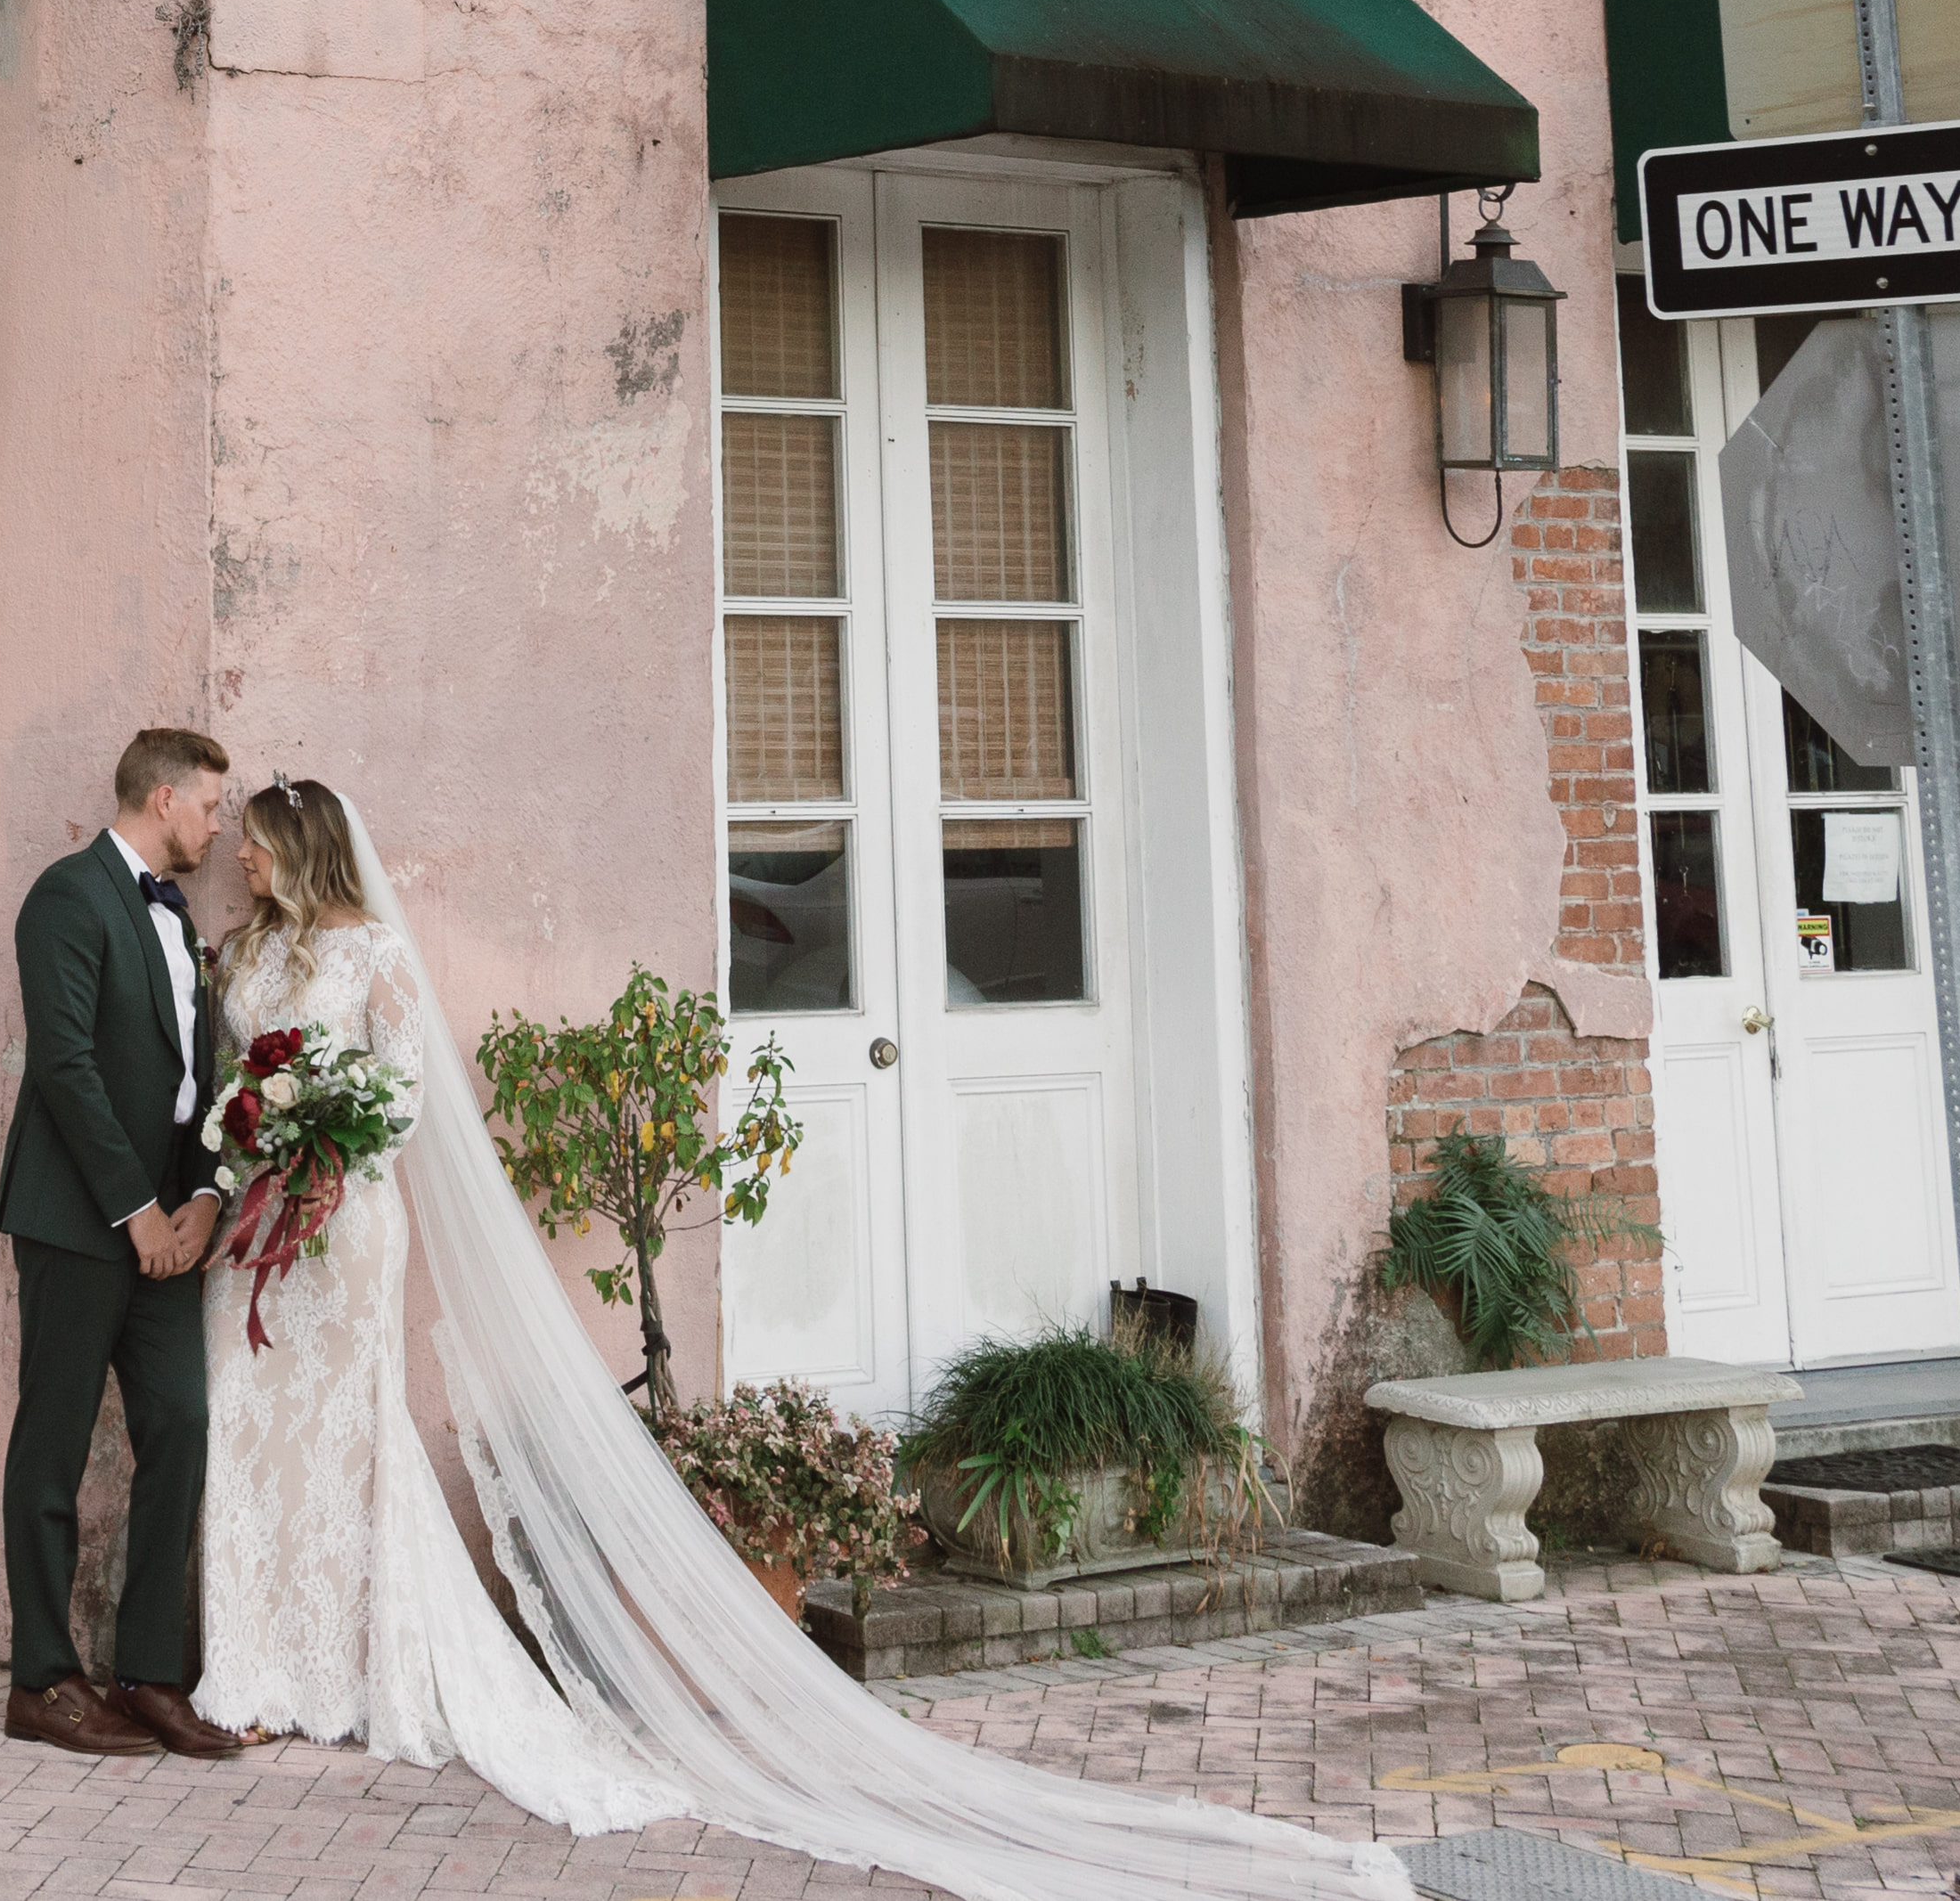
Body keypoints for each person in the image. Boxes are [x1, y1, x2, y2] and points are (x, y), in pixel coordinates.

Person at [182, 774, 1408, 1901]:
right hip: (258, 1232)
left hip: (344, 1230)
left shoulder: (377, 956)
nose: (240, 849)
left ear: (305, 847)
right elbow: (233, 1081)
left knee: (346, 1436)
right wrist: (255, 1148)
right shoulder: (241, 954)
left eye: (258, 836)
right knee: (250, 1430)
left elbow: (405, 1097)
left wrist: (329, 1154)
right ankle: (257, 1670)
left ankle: (346, 1669)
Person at [0, 725, 249, 1759]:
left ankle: (147, 1673)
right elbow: (65, 1067)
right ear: (165, 799)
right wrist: (133, 1210)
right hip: (77, 1222)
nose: (220, 826)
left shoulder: (178, 917)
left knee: (180, 1425)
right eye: (212, 805)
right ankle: (42, 1679)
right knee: (50, 1446)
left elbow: (193, 1085)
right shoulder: (67, 896)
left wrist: (196, 1199)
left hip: (165, 1232)